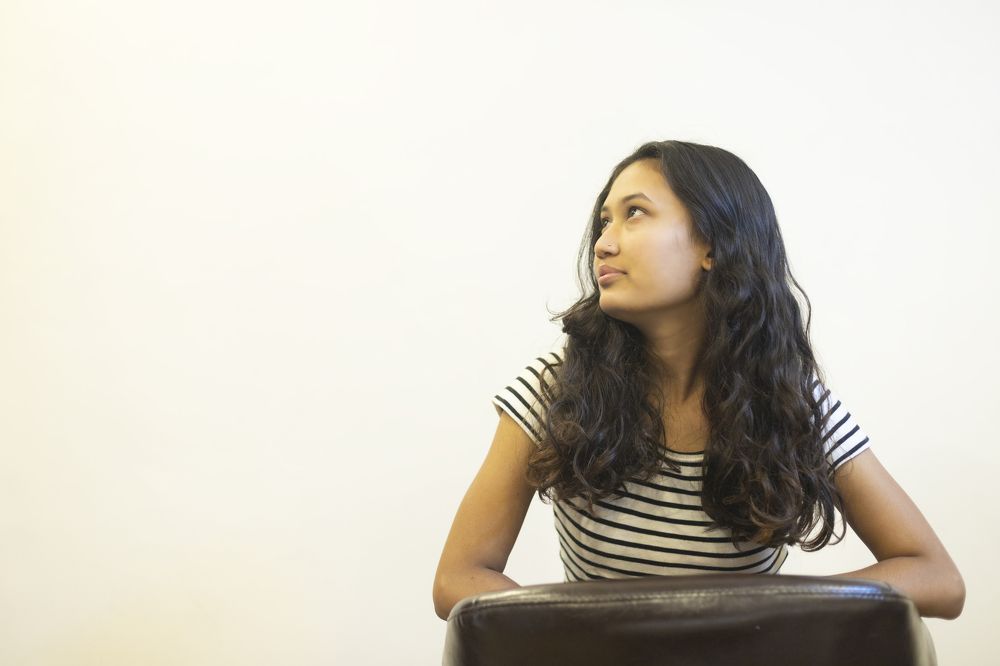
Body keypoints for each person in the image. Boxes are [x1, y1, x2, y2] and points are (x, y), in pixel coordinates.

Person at [432, 140, 964, 621]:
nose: (603, 243)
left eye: (634, 213)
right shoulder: (554, 391)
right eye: (604, 221)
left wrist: (777, 612)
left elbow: (937, 578)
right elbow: (457, 579)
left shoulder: (790, 403)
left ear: (712, 245)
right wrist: (586, 637)